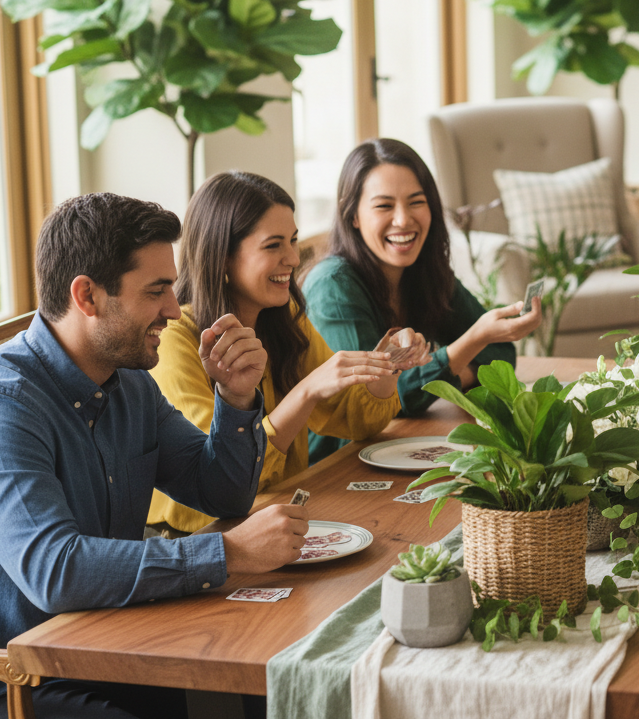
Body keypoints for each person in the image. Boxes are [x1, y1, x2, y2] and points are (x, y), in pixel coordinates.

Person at [0, 194, 306, 719]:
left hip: (106, 644)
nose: (171, 311)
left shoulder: (130, 380)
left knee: (273, 676)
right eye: (156, 292)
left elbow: (219, 491)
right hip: (2, 681)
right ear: (87, 296)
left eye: (172, 289)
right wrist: (228, 553)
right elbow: (56, 571)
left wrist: (236, 398)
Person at [147, 171, 430, 535]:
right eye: (274, 245)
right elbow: (222, 476)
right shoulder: (175, 338)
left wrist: (387, 365)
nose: (294, 258)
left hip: (275, 516)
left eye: (293, 241)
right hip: (199, 536)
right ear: (223, 260)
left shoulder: (285, 321)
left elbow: (360, 423)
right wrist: (307, 391)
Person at [303, 139, 541, 460]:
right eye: (384, 206)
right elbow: (376, 405)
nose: (403, 220)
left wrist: (446, 369)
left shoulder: (425, 272)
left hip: (396, 446)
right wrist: (470, 343)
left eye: (416, 202)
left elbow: (500, 355)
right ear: (353, 216)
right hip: (333, 463)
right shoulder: (332, 286)